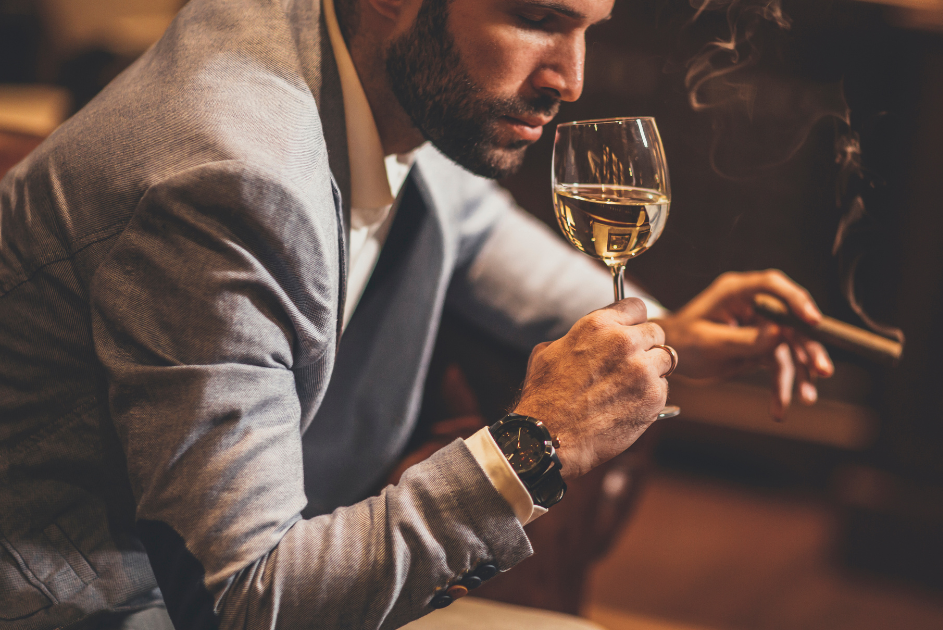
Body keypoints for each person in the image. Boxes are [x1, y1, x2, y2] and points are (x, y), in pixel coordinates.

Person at [0, 0, 834, 628]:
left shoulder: (366, 60)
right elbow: (249, 598)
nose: (571, 79)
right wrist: (531, 448)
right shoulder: (231, 177)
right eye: (539, 18)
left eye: (589, 26)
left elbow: (473, 227)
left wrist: (669, 331)